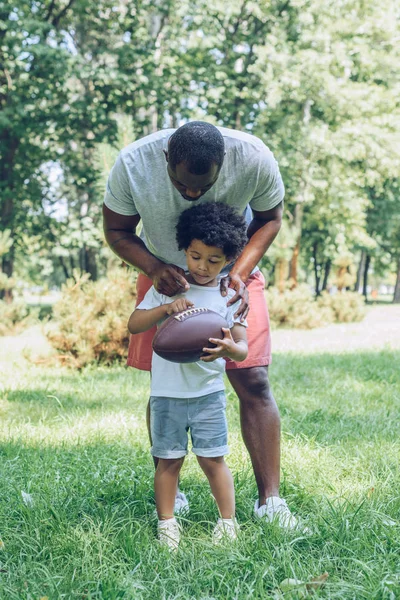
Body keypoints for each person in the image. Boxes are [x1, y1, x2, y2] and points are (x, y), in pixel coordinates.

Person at [103, 120, 301, 529]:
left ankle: (270, 501)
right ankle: (171, 489)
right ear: (166, 162)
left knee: (255, 380)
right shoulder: (132, 164)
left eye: (202, 187)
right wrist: (156, 268)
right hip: (163, 271)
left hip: (233, 272)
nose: (192, 195)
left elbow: (270, 218)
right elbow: (117, 230)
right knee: (166, 381)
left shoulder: (254, 157)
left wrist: (240, 273)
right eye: (182, 186)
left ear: (223, 163)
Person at [128, 203, 248, 549]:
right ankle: (167, 524)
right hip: (167, 393)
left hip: (208, 394)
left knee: (214, 460)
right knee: (168, 461)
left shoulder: (229, 296)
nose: (202, 266)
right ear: (184, 249)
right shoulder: (170, 285)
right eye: (195, 256)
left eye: (214, 260)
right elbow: (134, 325)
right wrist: (166, 309)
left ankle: (227, 522)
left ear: (228, 259)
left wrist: (228, 348)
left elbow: (242, 349)